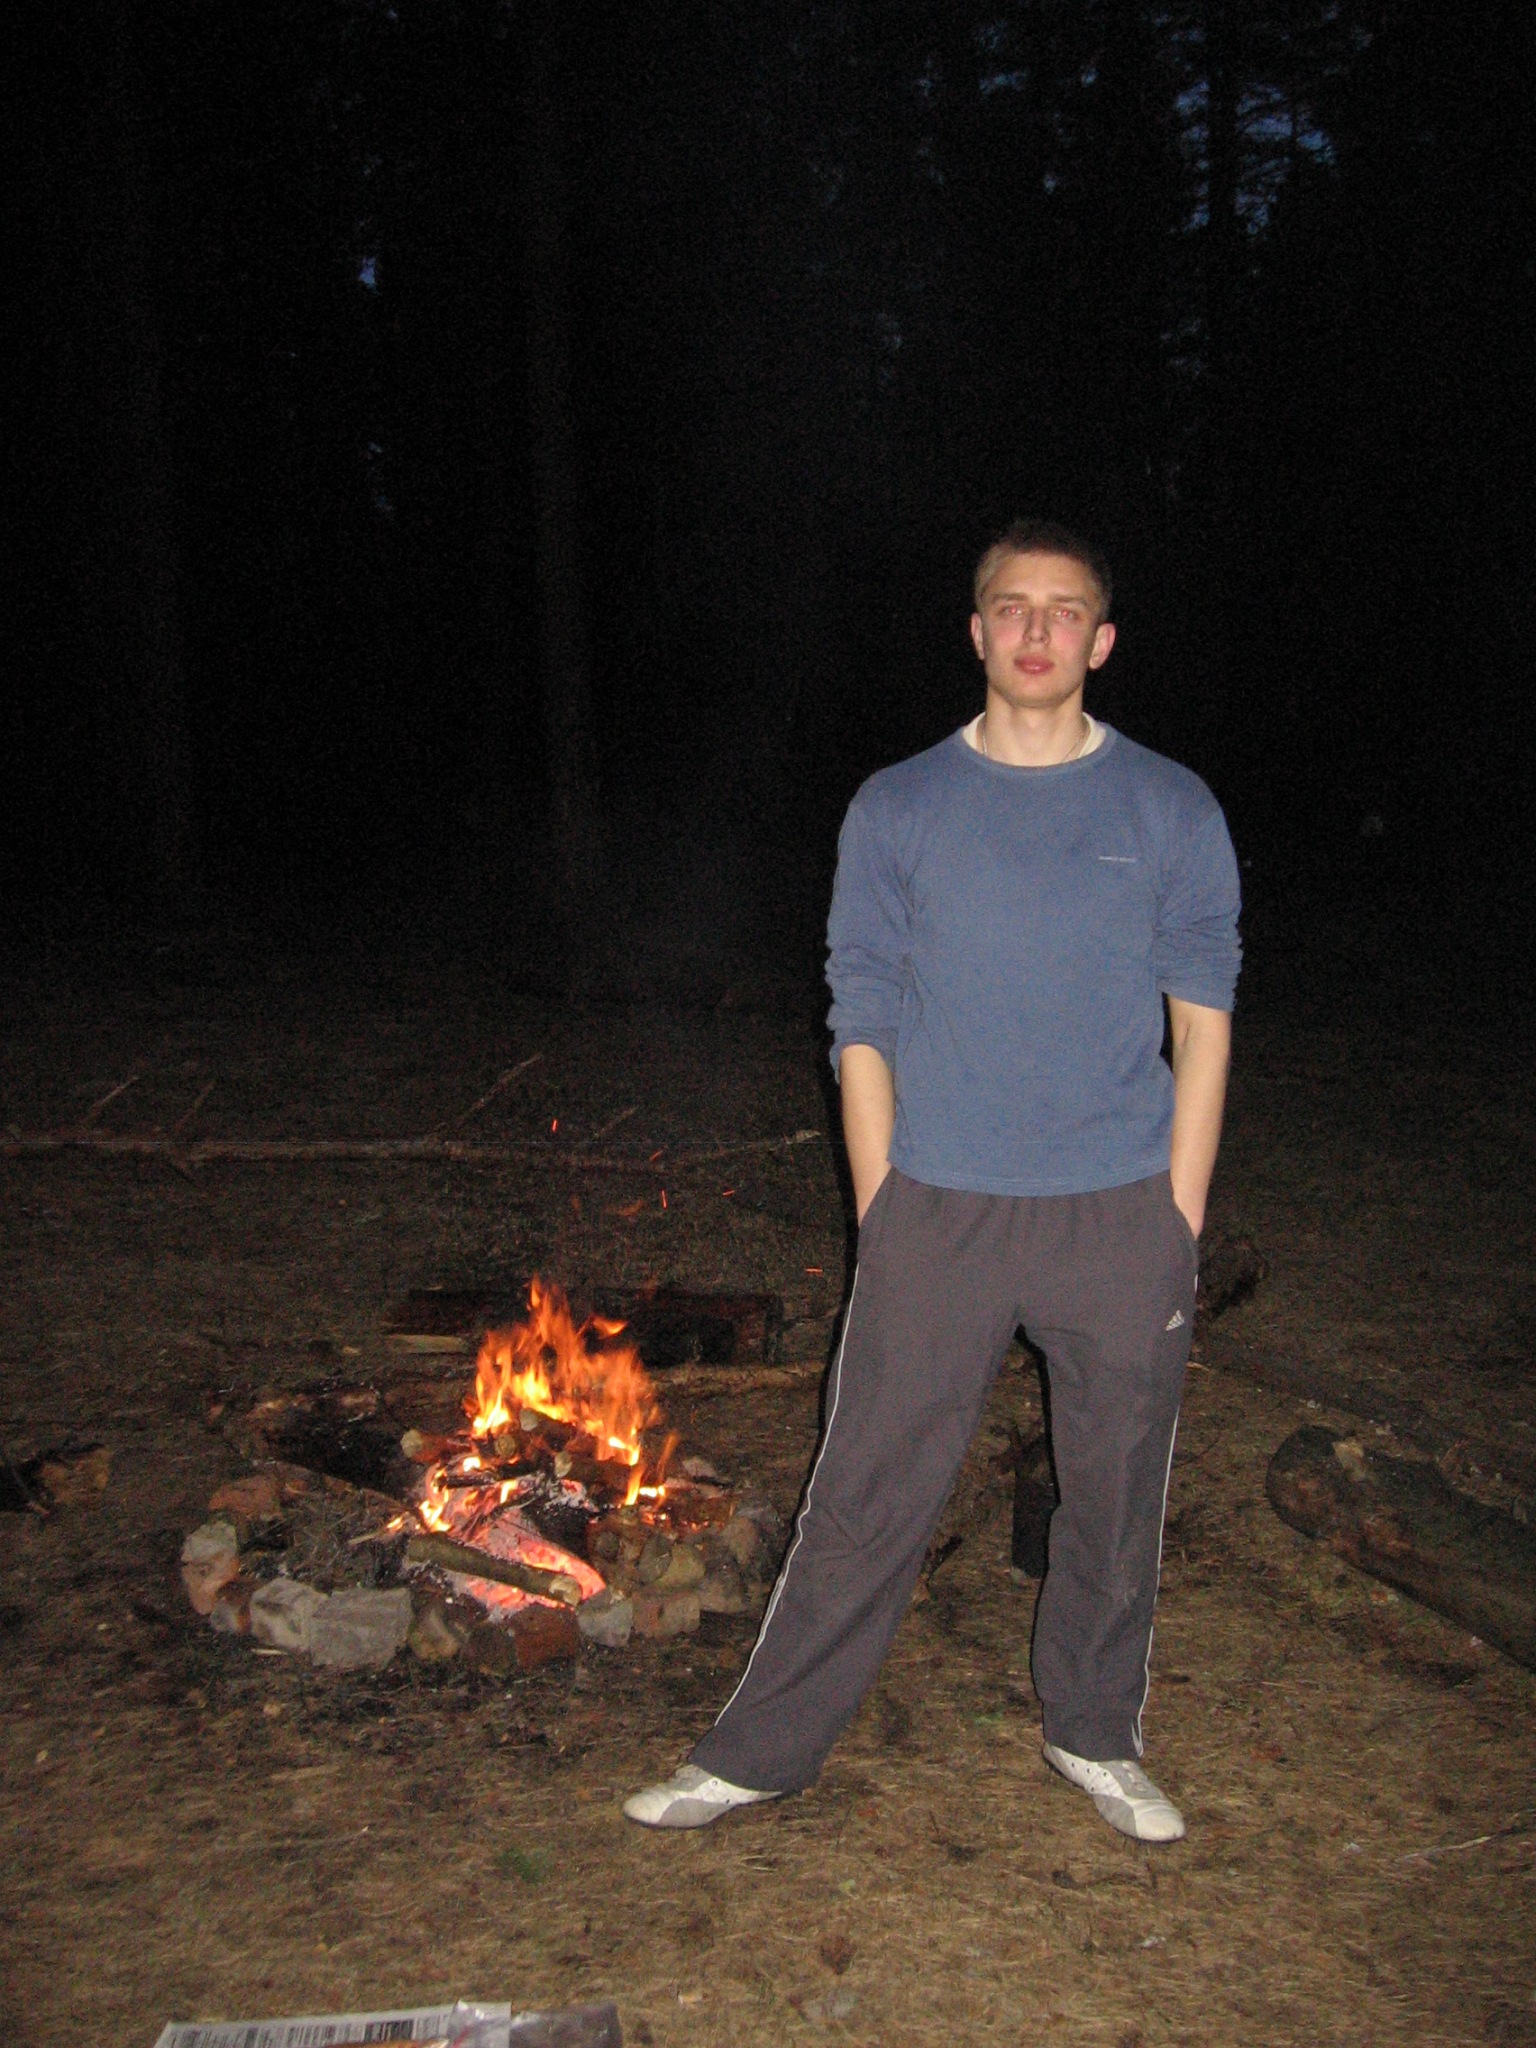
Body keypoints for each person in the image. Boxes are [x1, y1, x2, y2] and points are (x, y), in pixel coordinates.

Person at [625, 519, 1240, 1843]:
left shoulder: (1170, 807)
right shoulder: (899, 806)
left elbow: (1203, 1019)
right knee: (865, 1496)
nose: (1036, 630)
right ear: (976, 632)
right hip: (938, 1209)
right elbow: (861, 1013)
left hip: (1118, 1211)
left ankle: (1095, 1731)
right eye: (1012, 607)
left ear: (1101, 641)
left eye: (1064, 611)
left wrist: (1176, 1217)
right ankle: (760, 1752)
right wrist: (882, 1205)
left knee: (1116, 1494)